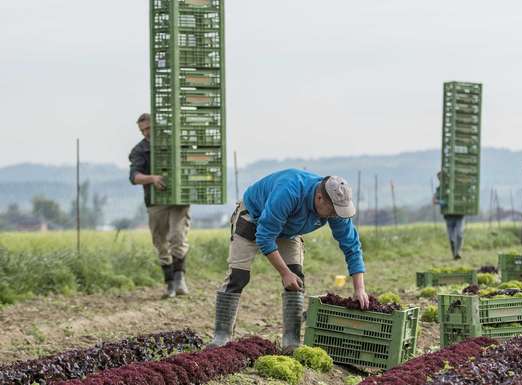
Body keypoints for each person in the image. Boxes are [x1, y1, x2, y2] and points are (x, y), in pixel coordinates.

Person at [210, 169, 367, 351]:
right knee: (238, 276)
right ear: (319, 198)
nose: (335, 215)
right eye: (332, 211)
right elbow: (265, 237)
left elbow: (351, 246)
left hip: (290, 228)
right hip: (253, 217)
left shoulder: (336, 208)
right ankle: (221, 336)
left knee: (296, 278)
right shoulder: (289, 191)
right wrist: (284, 273)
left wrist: (359, 289)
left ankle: (291, 341)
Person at [129, 113, 191, 299]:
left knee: (177, 236)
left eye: (149, 128)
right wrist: (153, 178)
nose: (146, 133)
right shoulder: (140, 150)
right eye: (143, 130)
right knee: (160, 242)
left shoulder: (174, 142)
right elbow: (134, 177)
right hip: (155, 202)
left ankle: (180, 280)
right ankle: (169, 283)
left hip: (178, 199)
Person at [433, 171, 464, 260]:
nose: (441, 180)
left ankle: (458, 252)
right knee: (451, 238)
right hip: (448, 217)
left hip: (459, 215)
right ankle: (454, 254)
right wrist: (441, 202)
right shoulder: (439, 189)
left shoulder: (457, 187)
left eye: (443, 178)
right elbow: (434, 200)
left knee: (459, 234)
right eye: (440, 179)